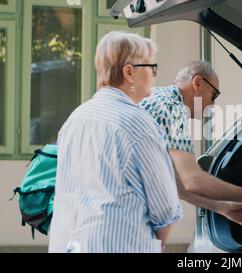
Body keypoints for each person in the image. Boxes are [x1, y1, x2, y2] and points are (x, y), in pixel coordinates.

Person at [49, 31, 182, 253]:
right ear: (129, 72)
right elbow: (165, 209)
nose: (155, 75)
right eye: (152, 67)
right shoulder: (138, 123)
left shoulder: (75, 119)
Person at [140, 61, 242, 233]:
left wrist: (219, 206)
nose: (213, 105)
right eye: (214, 95)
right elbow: (193, 180)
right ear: (198, 83)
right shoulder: (172, 109)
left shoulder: (155, 98)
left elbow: (172, 181)